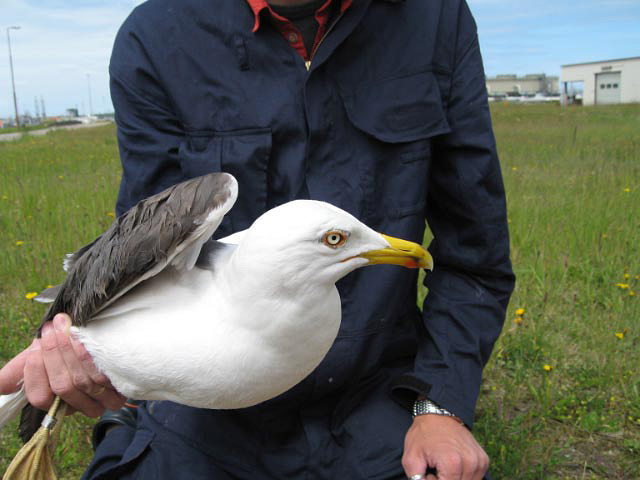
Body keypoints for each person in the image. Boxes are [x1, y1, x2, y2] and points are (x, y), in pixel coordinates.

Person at [0, 0, 515, 478]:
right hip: (201, 406)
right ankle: (128, 426)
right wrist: (61, 342)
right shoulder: (156, 35)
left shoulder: (434, 17)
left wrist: (439, 404)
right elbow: (132, 254)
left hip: (376, 392)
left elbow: (475, 255)